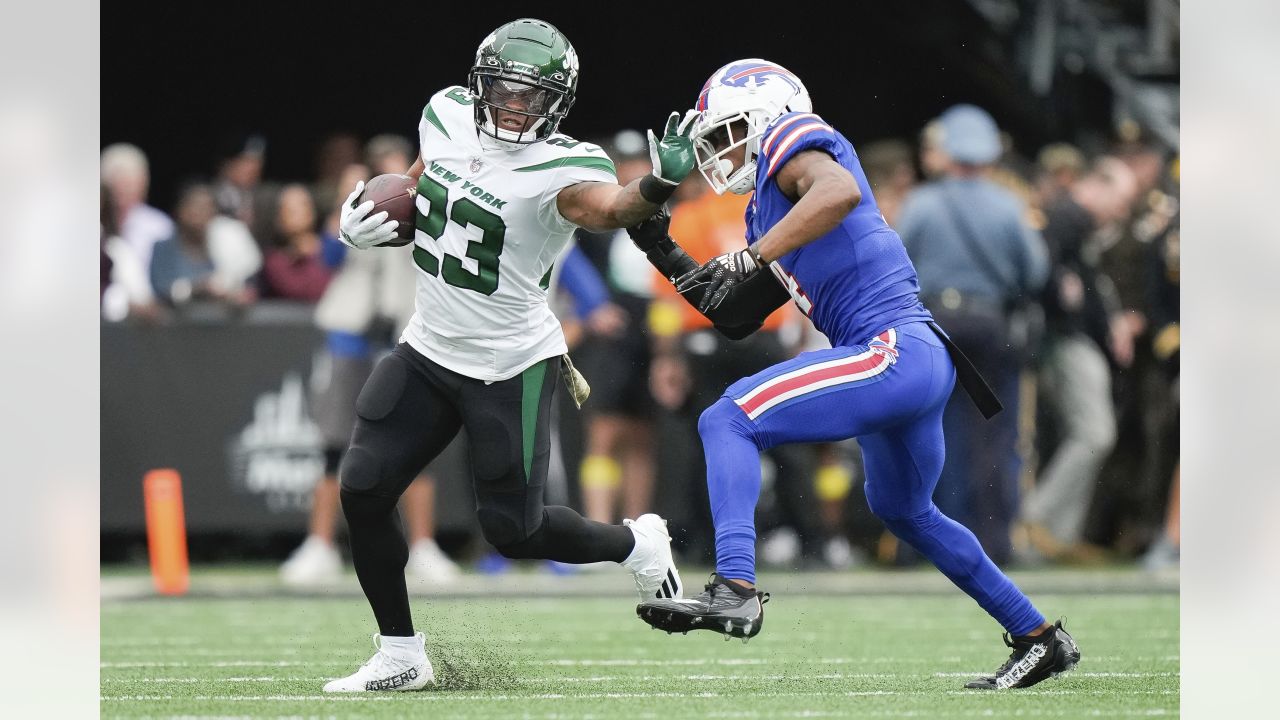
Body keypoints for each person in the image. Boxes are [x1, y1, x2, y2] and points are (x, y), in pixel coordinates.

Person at [628, 60, 1078, 690]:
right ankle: (1038, 637)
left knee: (726, 417)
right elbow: (731, 314)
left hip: (890, 349)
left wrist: (753, 253)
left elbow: (835, 193)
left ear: (764, 118)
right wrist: (655, 239)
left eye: (729, 131)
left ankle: (734, 586)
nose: (720, 150)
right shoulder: (767, 212)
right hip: (912, 359)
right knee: (903, 508)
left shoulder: (797, 139)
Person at [320, 18, 694, 693]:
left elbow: (610, 208)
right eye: (505, 89)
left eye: (533, 95)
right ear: (480, 81)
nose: (515, 105)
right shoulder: (446, 113)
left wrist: (658, 187)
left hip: (508, 364)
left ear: (559, 103)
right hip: (429, 348)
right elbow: (421, 182)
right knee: (363, 488)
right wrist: (368, 217)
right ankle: (401, 653)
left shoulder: (566, 165)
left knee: (513, 533)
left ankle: (636, 544)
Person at [895, 105, 1049, 565]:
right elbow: (1035, 271)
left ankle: (923, 542)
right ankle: (994, 543)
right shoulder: (1009, 205)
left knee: (931, 431)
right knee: (995, 434)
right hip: (989, 325)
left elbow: (899, 263)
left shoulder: (921, 203)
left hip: (934, 325)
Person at [1020, 158, 1139, 559]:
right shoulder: (1068, 215)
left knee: (1085, 436)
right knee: (1095, 433)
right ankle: (1036, 516)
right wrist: (1059, 288)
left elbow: (1085, 282)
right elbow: (1044, 268)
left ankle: (1058, 536)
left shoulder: (1078, 221)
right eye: (1120, 200)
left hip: (1071, 339)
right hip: (1065, 340)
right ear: (1098, 184)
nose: (1121, 211)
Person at [148, 183, 260, 307]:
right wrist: (198, 289)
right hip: (177, 323)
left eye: (207, 208)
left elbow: (243, 282)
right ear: (180, 209)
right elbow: (161, 289)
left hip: (217, 323)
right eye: (195, 207)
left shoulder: (224, 243)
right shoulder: (163, 248)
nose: (201, 213)